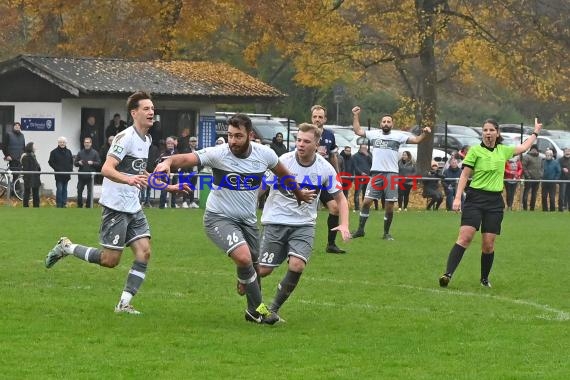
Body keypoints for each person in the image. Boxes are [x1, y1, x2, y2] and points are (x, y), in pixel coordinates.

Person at [154, 113, 314, 325]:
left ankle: (250, 310)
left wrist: (300, 194)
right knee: (244, 258)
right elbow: (186, 158)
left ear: (250, 135)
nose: (232, 141)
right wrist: (169, 163)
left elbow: (283, 174)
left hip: (247, 221)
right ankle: (262, 312)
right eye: (229, 135)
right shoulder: (219, 153)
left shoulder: (264, 154)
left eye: (238, 136)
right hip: (218, 218)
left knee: (254, 270)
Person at [45, 90, 159, 314]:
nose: (151, 112)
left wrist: (166, 185)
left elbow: (138, 171)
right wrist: (129, 179)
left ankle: (123, 304)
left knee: (144, 252)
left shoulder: (147, 139)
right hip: (116, 206)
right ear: (134, 113)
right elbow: (107, 169)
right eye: (146, 108)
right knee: (110, 260)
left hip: (133, 206)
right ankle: (66, 248)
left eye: (152, 108)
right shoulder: (125, 137)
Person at [257, 123, 350, 320]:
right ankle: (247, 282)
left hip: (304, 225)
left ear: (317, 144)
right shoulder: (283, 161)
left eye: (306, 141)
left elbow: (341, 199)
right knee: (263, 270)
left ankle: (273, 310)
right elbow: (262, 188)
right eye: (298, 140)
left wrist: (344, 224)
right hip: (275, 221)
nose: (300, 144)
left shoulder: (325, 169)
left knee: (297, 265)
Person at [439, 118, 542, 288]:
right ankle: (447, 274)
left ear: (497, 133)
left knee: (488, 244)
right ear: (482, 133)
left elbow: (524, 147)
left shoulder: (503, 150)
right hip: (475, 198)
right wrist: (457, 198)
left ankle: (484, 279)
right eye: (485, 130)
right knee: (465, 237)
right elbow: (464, 175)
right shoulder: (475, 151)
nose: (488, 133)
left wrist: (536, 131)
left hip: (494, 201)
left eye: (491, 130)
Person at [351, 106, 431, 240]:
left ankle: (386, 233)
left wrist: (425, 133)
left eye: (388, 122)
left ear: (392, 124)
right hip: (376, 173)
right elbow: (358, 130)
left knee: (389, 206)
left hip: (392, 174)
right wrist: (355, 115)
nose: (386, 123)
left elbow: (417, 140)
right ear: (380, 124)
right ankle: (360, 230)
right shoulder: (374, 134)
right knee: (366, 202)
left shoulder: (398, 136)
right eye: (384, 121)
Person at [310, 104, 346, 253]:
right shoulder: (306, 133)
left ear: (325, 119)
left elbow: (333, 156)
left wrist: (337, 175)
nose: (317, 119)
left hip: (324, 178)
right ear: (311, 118)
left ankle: (330, 244)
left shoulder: (330, 135)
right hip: (307, 178)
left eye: (320, 117)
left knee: (335, 208)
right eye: (315, 117)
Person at [74, 137, 101, 208]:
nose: (87, 144)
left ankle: (88, 206)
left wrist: (92, 163)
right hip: (81, 176)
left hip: (90, 176)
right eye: (85, 142)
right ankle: (79, 206)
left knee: (90, 192)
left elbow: (99, 163)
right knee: (79, 191)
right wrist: (79, 163)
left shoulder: (95, 153)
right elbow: (75, 163)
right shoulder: (80, 153)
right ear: (83, 143)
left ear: (91, 143)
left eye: (88, 142)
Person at [48, 136, 74, 208]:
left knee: (65, 189)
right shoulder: (53, 152)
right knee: (59, 189)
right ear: (58, 143)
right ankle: (59, 204)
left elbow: (71, 162)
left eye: (63, 142)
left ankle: (64, 203)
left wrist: (70, 169)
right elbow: (50, 162)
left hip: (66, 174)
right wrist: (57, 169)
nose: (62, 143)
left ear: (66, 143)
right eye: (60, 142)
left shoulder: (69, 152)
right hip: (59, 175)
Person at [158, 137, 179, 209]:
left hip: (174, 173)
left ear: (174, 144)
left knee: (174, 189)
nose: (170, 145)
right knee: (164, 189)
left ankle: (173, 205)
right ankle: (161, 206)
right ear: (166, 144)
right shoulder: (163, 153)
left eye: (171, 143)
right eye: (168, 143)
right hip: (165, 174)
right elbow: (159, 162)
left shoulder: (177, 152)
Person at [521, 144, 543, 211]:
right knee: (529, 194)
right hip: (531, 179)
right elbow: (524, 167)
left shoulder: (539, 158)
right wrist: (528, 176)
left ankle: (529, 209)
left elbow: (542, 167)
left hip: (534, 179)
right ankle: (528, 209)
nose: (534, 151)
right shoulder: (527, 157)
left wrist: (540, 175)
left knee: (531, 194)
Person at [181, 136, 200, 209]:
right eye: (192, 141)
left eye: (195, 141)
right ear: (189, 142)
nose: (193, 142)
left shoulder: (198, 150)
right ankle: (184, 202)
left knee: (192, 187)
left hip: (195, 171)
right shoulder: (186, 150)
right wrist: (185, 171)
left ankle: (192, 202)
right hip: (187, 172)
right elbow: (184, 161)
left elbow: (201, 161)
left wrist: (199, 169)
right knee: (186, 187)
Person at [21, 142, 41, 207]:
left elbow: (36, 166)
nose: (35, 148)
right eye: (34, 147)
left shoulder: (33, 155)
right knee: (27, 192)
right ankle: (26, 206)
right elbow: (26, 168)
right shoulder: (26, 156)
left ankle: (36, 206)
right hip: (29, 177)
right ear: (31, 147)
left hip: (35, 176)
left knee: (35, 193)